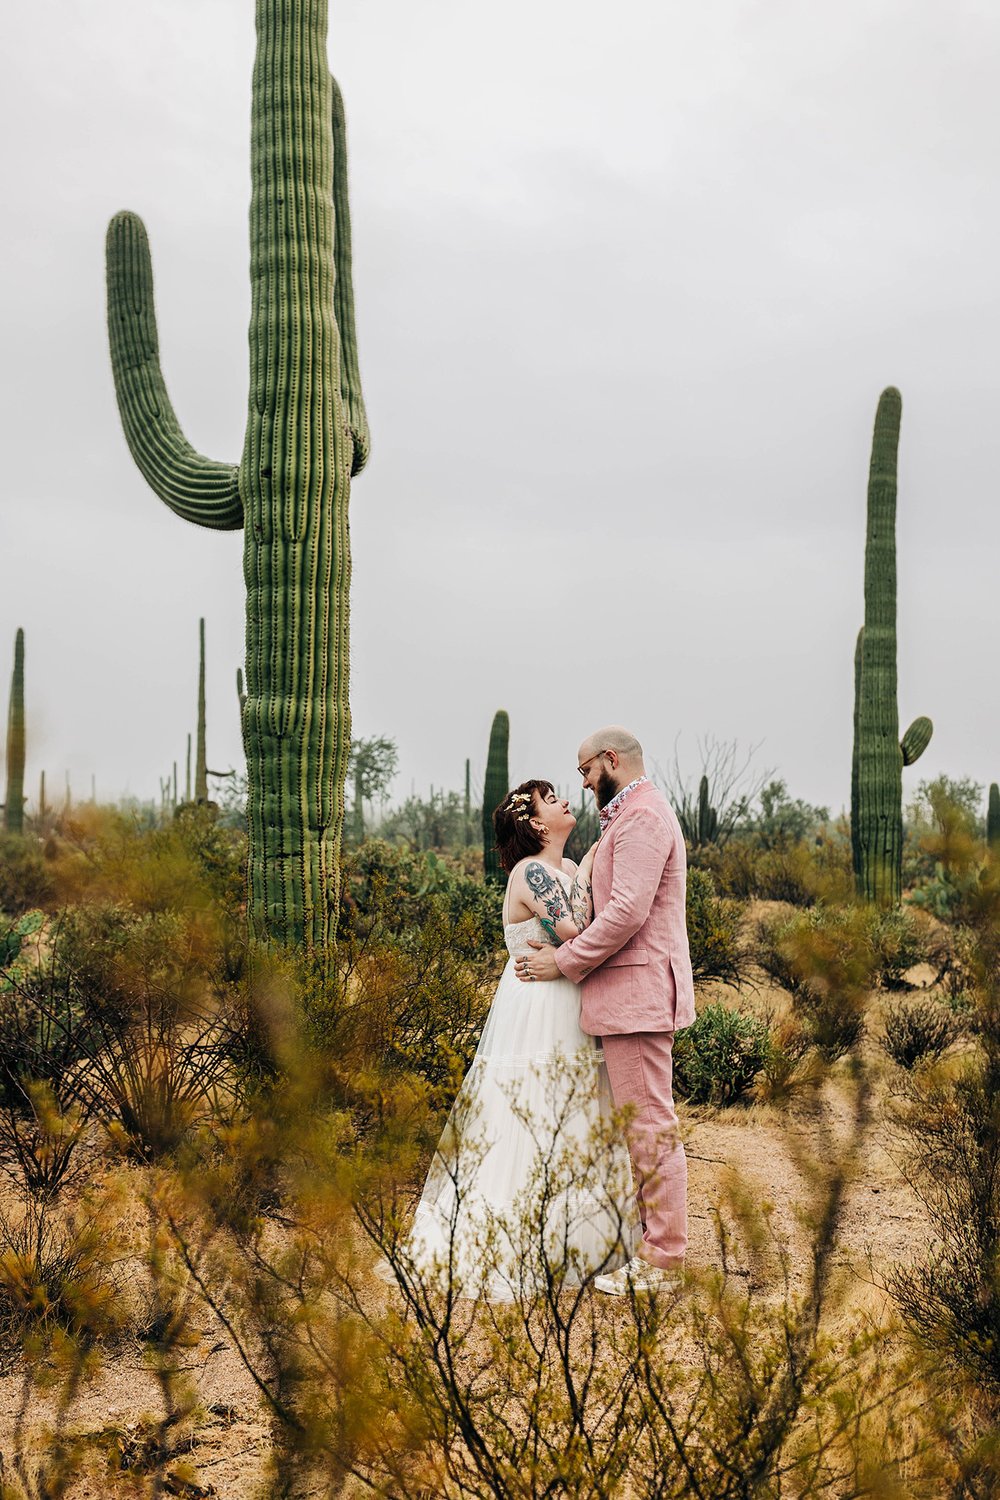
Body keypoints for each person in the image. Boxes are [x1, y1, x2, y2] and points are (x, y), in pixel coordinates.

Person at [377, 780, 637, 1302]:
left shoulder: (562, 870)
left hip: (567, 994)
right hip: (539, 1003)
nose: (566, 801)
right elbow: (575, 931)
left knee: (577, 1111)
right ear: (538, 824)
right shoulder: (535, 872)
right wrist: (591, 868)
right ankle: (519, 1239)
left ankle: (581, 1241)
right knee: (534, 1110)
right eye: (552, 799)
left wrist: (583, 868)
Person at [516, 727, 695, 1295]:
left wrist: (564, 961)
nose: (583, 782)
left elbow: (625, 915)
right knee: (642, 1125)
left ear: (609, 760)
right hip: (627, 998)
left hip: (636, 999)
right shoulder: (627, 816)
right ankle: (649, 1243)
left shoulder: (642, 817)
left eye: (585, 771)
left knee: (650, 1126)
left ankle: (663, 1258)